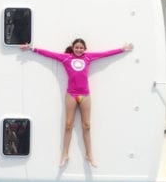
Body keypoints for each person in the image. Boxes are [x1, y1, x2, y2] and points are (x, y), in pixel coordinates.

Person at [19, 39, 133, 167]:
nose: (79, 50)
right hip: (71, 95)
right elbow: (49, 54)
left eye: (81, 48)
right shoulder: (66, 58)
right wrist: (31, 48)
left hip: (85, 95)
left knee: (87, 126)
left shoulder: (88, 57)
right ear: (72, 48)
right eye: (77, 47)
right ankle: (64, 154)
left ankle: (89, 154)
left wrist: (122, 49)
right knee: (68, 125)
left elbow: (105, 54)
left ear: (85, 49)